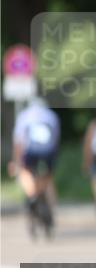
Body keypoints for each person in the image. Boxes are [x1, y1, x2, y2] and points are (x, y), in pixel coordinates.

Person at [8, 96, 60, 234]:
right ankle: (50, 208)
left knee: (25, 172)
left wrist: (16, 161)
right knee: (48, 178)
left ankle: (32, 196)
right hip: (48, 153)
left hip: (30, 153)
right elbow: (55, 139)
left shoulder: (24, 116)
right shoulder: (51, 116)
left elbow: (19, 141)